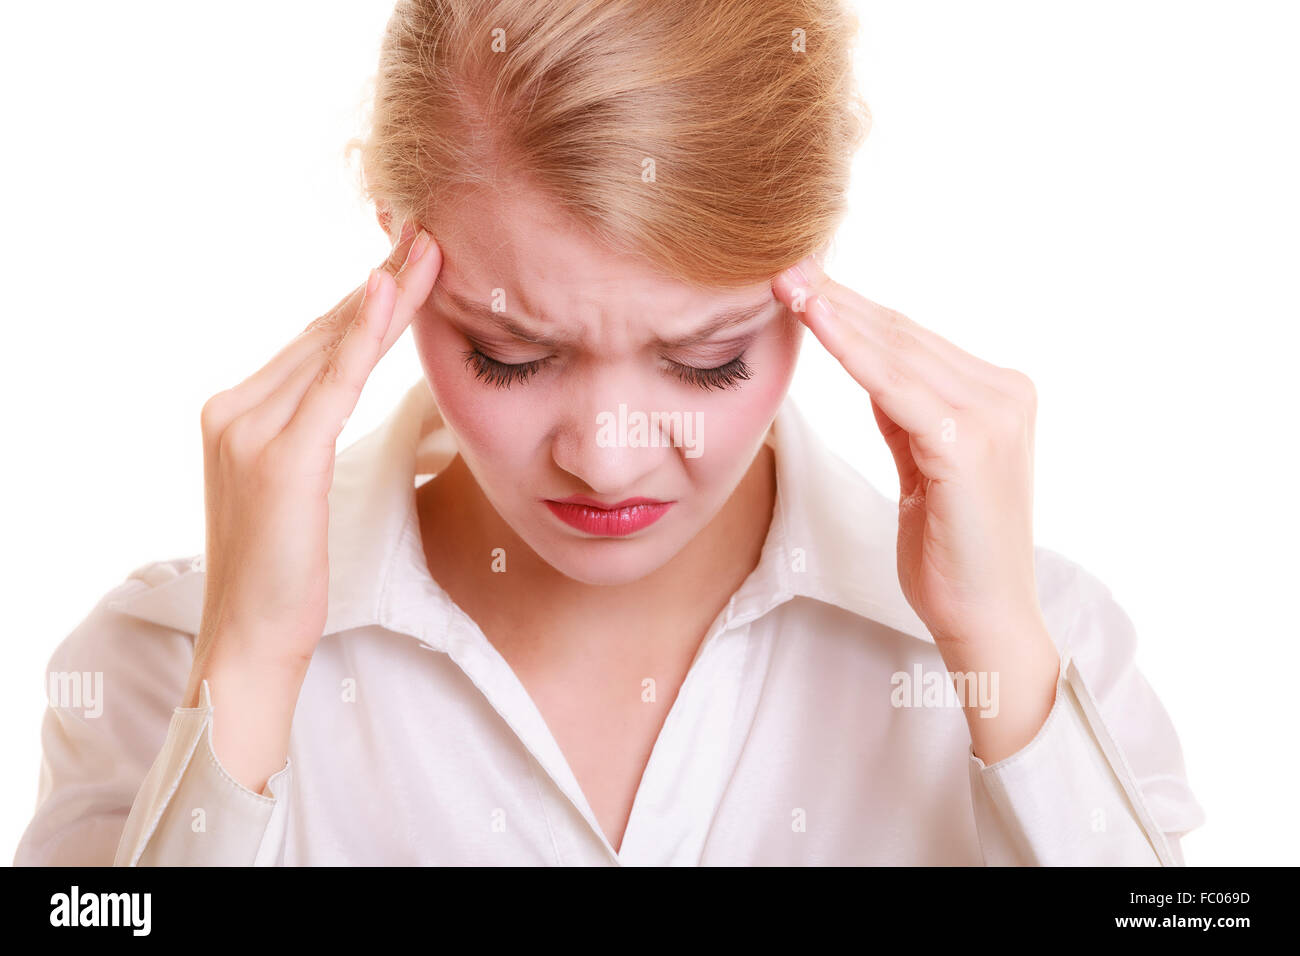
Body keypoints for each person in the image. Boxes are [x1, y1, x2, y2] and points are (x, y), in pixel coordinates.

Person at [15, 0, 1203, 866]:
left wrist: (1001, 651)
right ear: (396, 243)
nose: (611, 453)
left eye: (706, 358)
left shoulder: (1050, 653)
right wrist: (251, 671)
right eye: (512, 353)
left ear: (813, 264)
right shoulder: (160, 659)